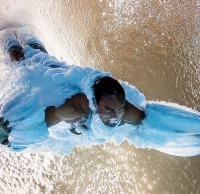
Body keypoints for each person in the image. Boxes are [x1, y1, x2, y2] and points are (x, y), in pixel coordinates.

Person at [0, 30, 145, 146]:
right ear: (95, 103)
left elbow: (147, 120)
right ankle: (7, 34)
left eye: (119, 109)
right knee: (20, 59)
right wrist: (7, 134)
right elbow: (36, 126)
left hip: (61, 72)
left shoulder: (122, 111)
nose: (115, 116)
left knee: (41, 54)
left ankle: (26, 32)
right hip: (45, 81)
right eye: (108, 110)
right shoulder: (75, 108)